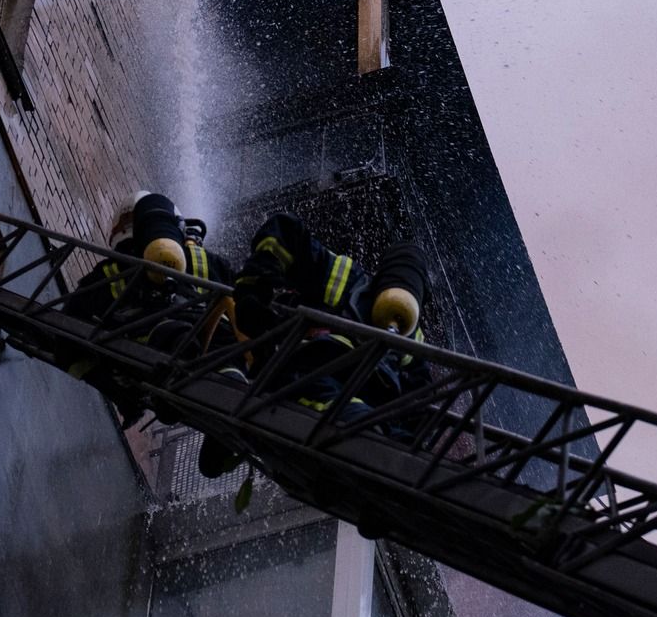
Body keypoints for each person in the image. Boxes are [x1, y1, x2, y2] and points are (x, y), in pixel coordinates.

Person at [203, 214, 434, 476]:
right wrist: (254, 290)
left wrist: (253, 286)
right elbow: (423, 404)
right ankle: (386, 446)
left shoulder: (351, 282)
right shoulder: (413, 337)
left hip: (313, 377)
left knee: (313, 394)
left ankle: (227, 418)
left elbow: (286, 231)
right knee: (326, 400)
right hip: (324, 382)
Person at [65, 192, 234, 422]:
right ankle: (233, 377)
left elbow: (65, 332)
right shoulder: (204, 258)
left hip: (152, 362)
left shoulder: (109, 273)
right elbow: (245, 298)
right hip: (221, 353)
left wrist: (116, 391)